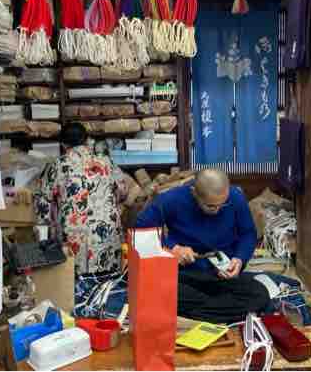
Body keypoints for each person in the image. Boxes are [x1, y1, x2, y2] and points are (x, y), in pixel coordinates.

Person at [135, 169, 270, 324]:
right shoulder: (172, 198)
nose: (217, 210)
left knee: (260, 294)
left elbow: (248, 233)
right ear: (194, 193)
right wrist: (172, 248)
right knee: (155, 289)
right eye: (211, 206)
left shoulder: (235, 197)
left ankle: (193, 312)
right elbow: (141, 229)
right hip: (185, 274)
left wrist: (239, 259)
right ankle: (219, 311)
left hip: (221, 276)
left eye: (223, 204)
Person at [35, 123, 126, 276]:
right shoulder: (105, 162)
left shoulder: (57, 165)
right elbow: (123, 191)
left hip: (74, 238)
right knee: (108, 283)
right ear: (87, 140)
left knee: (75, 284)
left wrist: (46, 235)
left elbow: (43, 204)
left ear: (63, 144)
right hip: (107, 236)